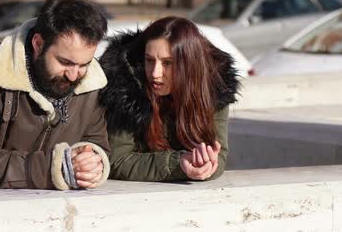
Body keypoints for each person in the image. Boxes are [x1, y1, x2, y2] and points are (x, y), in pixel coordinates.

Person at [0, 0, 111, 190]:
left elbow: (96, 143)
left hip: (54, 208)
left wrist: (91, 164)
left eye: (84, 64)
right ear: (38, 44)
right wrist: (57, 168)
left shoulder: (92, 81)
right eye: (65, 62)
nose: (73, 75)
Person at [98, 17, 240, 182]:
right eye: (149, 60)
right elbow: (117, 160)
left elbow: (218, 155)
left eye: (168, 63)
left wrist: (206, 166)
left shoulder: (214, 89)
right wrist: (178, 164)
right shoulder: (125, 87)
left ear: (189, 64)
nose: (155, 73)